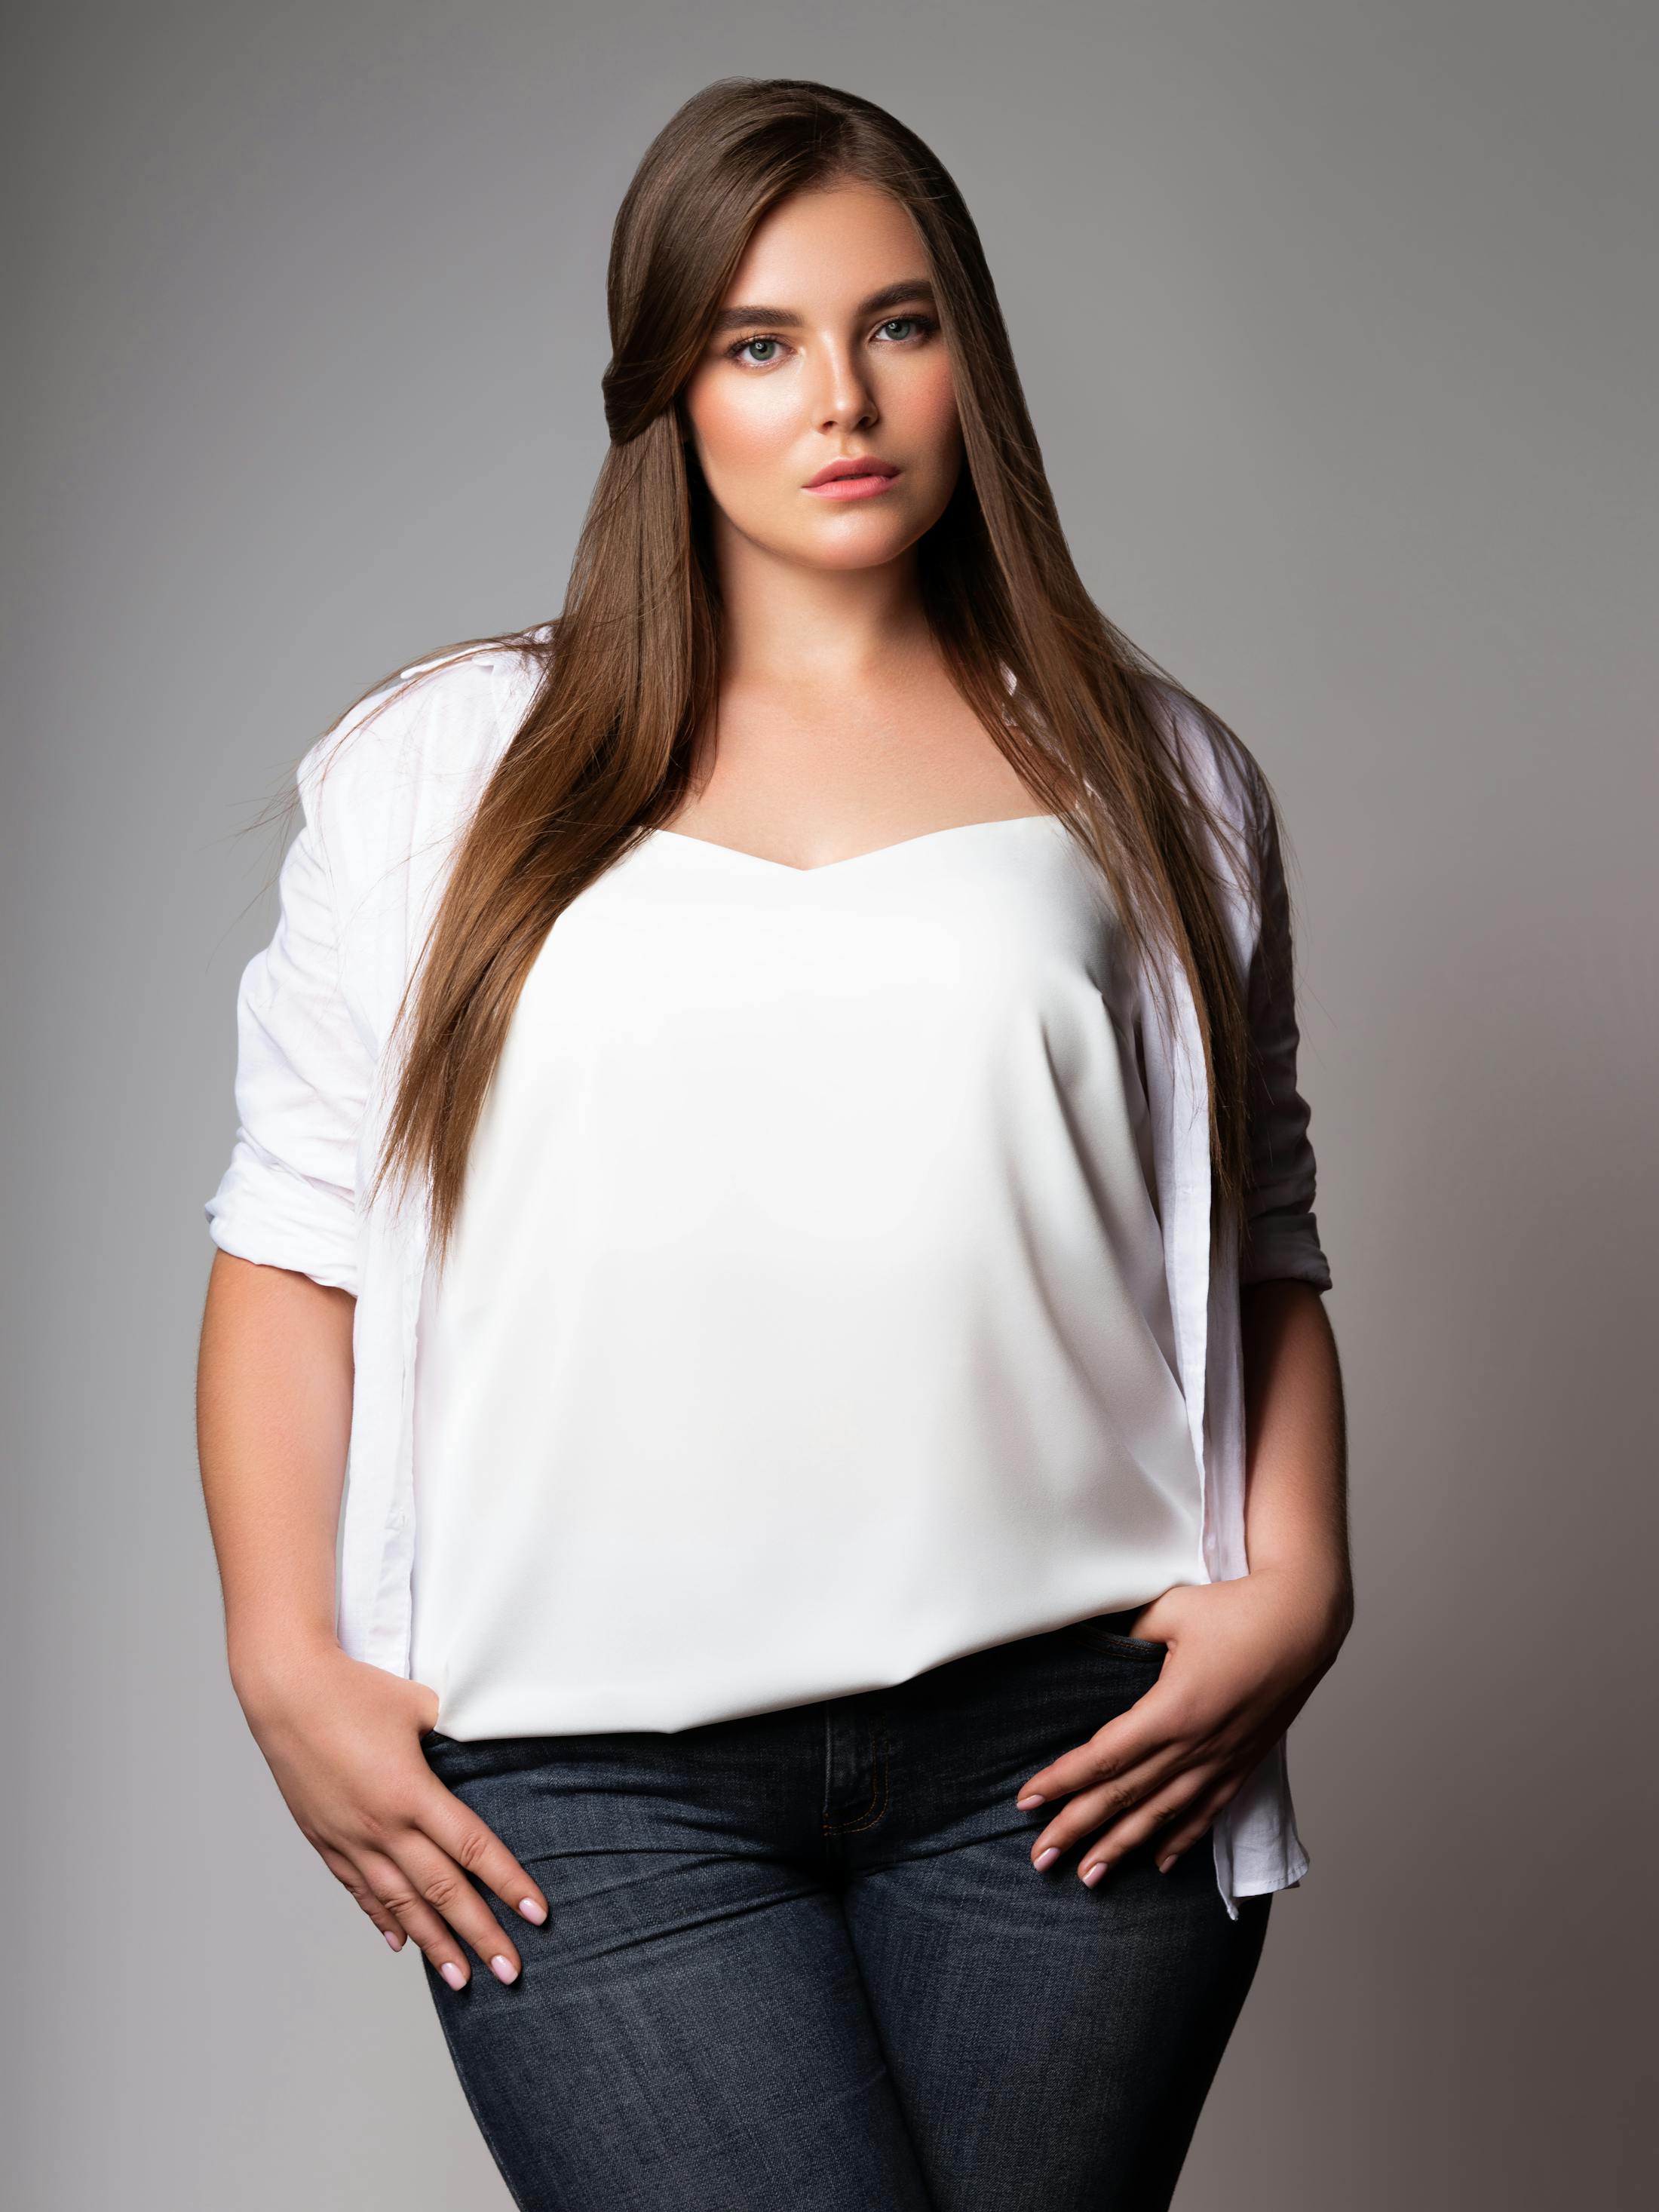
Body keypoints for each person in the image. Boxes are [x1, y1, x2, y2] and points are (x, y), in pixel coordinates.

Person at [196, 75, 1351, 2212]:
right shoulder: (447, 769)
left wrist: (1302, 1584)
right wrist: (286, 1661)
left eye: (898, 326)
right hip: (590, 1792)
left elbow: (1261, 1243)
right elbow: (287, 1251)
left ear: (970, 361)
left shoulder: (1161, 781)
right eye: (761, 341)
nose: (843, 399)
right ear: (666, 390)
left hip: (1073, 1762)